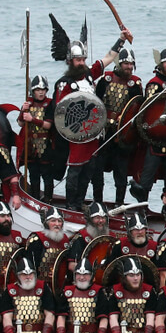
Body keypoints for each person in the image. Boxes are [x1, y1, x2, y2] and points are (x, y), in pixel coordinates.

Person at [53, 29, 131, 210]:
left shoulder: (89, 75)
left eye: (83, 60)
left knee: (88, 171)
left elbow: (108, 58)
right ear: (70, 61)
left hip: (93, 134)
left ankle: (80, 202)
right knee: (74, 171)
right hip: (76, 136)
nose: (81, 63)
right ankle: (71, 205)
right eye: (78, 60)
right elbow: (60, 111)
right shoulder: (65, 83)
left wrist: (121, 40)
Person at [130, 47, 166, 203]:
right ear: (160, 64)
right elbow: (149, 111)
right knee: (147, 177)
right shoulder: (154, 84)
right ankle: (142, 207)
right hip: (155, 137)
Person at [94, 47, 143, 205]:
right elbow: (96, 101)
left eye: (131, 64)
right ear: (118, 64)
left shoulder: (135, 83)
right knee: (98, 168)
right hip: (103, 131)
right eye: (126, 64)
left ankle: (119, 203)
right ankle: (98, 202)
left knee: (121, 170)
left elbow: (137, 108)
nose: (128, 67)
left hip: (122, 133)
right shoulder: (106, 79)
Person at [53, 257, 109, 333]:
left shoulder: (99, 292)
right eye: (79, 274)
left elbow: (103, 318)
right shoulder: (67, 292)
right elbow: (61, 317)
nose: (82, 277)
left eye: (86, 274)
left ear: (91, 275)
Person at [2, 255, 55, 333]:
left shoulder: (43, 287)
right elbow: (7, 317)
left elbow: (50, 314)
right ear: (18, 276)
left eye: (31, 274)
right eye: (24, 274)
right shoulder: (10, 290)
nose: (28, 277)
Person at [17, 75, 56, 203]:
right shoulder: (28, 103)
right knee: (33, 174)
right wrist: (23, 111)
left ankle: (48, 199)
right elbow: (20, 123)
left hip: (45, 145)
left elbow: (48, 125)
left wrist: (32, 119)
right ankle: (34, 198)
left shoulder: (50, 104)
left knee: (47, 175)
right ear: (33, 91)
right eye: (38, 90)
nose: (41, 92)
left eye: (43, 90)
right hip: (30, 145)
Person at [106, 257, 156, 333]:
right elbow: (113, 317)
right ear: (124, 277)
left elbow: (150, 317)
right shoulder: (115, 291)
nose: (136, 278)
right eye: (131, 275)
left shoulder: (149, 290)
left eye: (138, 274)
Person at [26, 207, 70, 287]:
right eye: (53, 221)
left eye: (59, 221)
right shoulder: (37, 239)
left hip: (59, 286)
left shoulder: (65, 240)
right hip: (40, 285)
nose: (57, 224)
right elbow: (30, 265)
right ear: (47, 223)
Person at [66, 202, 110, 273]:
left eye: (103, 218)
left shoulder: (112, 237)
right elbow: (72, 265)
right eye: (97, 218)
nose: (101, 221)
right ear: (91, 220)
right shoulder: (80, 239)